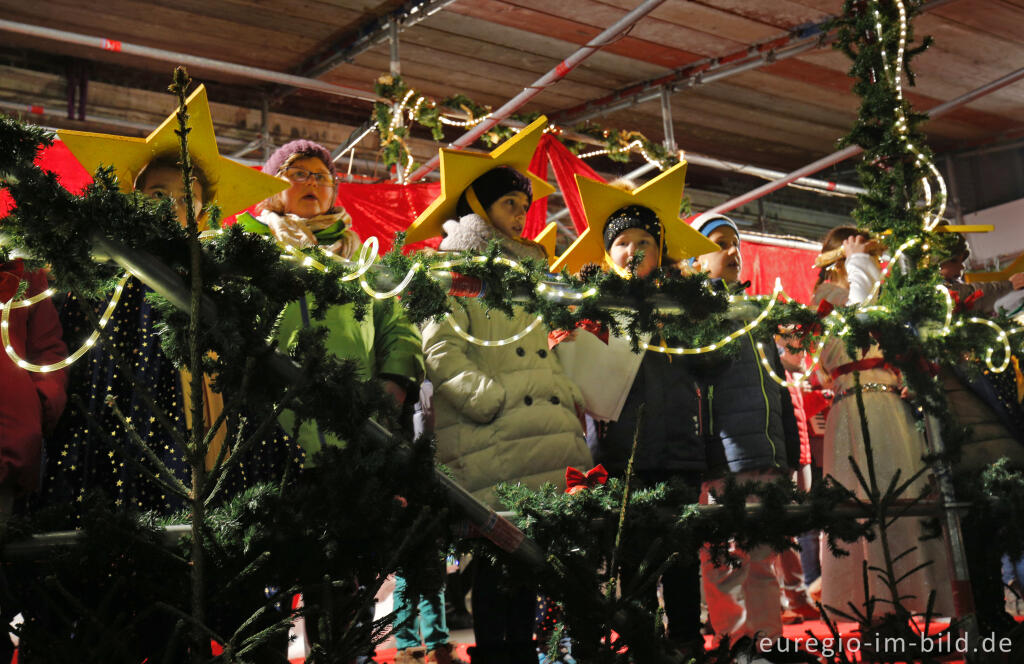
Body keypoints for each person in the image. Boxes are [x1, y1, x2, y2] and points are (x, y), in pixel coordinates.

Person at [409, 119, 592, 664]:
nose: (520, 214)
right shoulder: (447, 268)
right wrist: (490, 400)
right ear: (478, 205)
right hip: (496, 432)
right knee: (496, 558)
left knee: (536, 562)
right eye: (510, 203)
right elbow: (439, 349)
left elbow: (548, 345)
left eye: (523, 205)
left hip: (543, 432)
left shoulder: (530, 271)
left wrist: (563, 391)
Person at [549, 164, 720, 658]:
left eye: (644, 241)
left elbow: (711, 363)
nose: (633, 251)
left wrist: (693, 310)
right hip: (620, 453)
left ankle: (687, 641)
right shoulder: (592, 306)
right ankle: (644, 645)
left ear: (661, 251)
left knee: (681, 559)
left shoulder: (679, 305)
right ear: (607, 252)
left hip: (681, 452)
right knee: (631, 561)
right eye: (622, 243)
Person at [811, 226, 954, 620]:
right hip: (854, 408)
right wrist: (860, 263)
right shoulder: (826, 298)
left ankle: (916, 600)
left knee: (903, 495)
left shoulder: (873, 291)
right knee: (861, 499)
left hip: (888, 405)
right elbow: (859, 323)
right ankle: (872, 607)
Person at [690, 212, 800, 653]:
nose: (732, 251)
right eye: (719, 243)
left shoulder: (757, 315)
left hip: (767, 456)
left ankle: (767, 647)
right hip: (723, 458)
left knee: (762, 562)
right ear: (696, 259)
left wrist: (788, 454)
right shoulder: (695, 316)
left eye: (734, 243)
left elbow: (780, 390)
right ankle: (736, 647)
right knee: (724, 562)